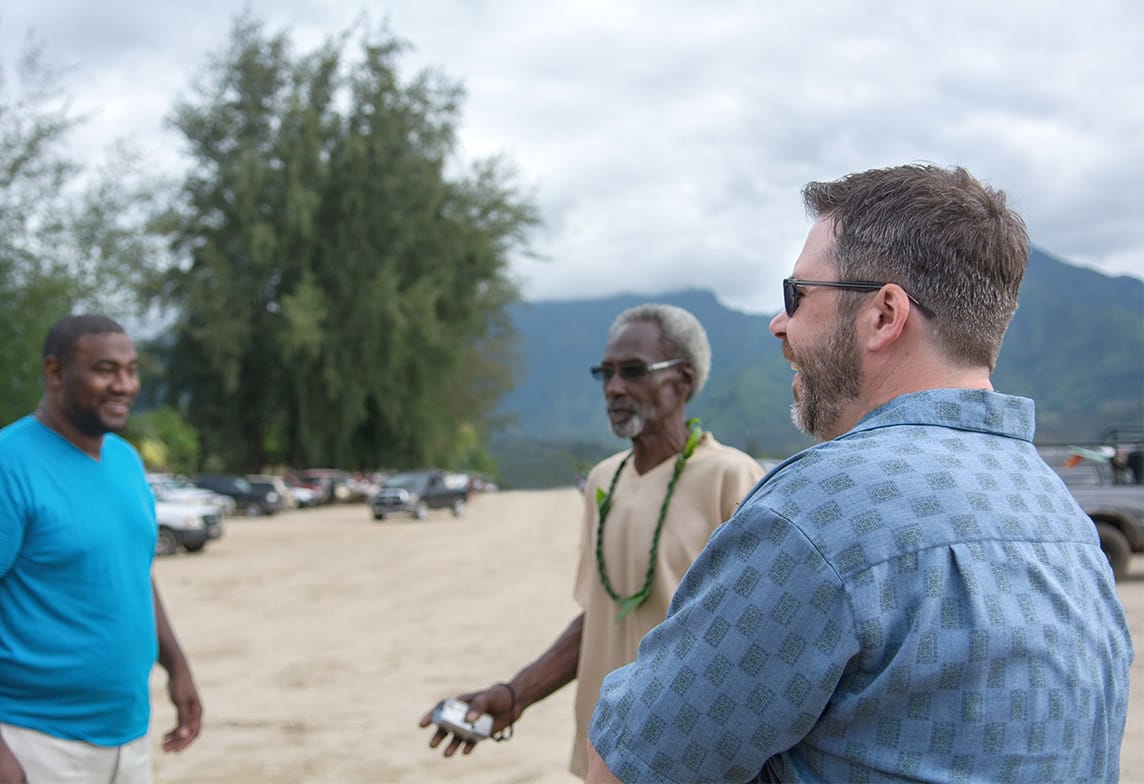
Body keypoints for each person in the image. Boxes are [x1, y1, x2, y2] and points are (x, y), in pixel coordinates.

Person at [586, 164, 1133, 782]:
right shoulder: (1061, 519)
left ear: (884, 314)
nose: (779, 323)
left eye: (798, 295)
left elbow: (633, 766)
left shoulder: (819, 511)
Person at [419, 304, 766, 777]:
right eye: (606, 373)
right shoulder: (605, 479)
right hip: (603, 751)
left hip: (685, 757)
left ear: (683, 379)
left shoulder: (732, 476)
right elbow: (600, 616)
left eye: (633, 371)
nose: (614, 387)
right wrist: (517, 693)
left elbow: (753, 634)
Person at [0, 315, 202, 783]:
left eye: (131, 369)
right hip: (27, 741)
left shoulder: (124, 460)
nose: (123, 385)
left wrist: (176, 666)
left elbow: (131, 571)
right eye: (105, 369)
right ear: (56, 373)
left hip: (125, 738)